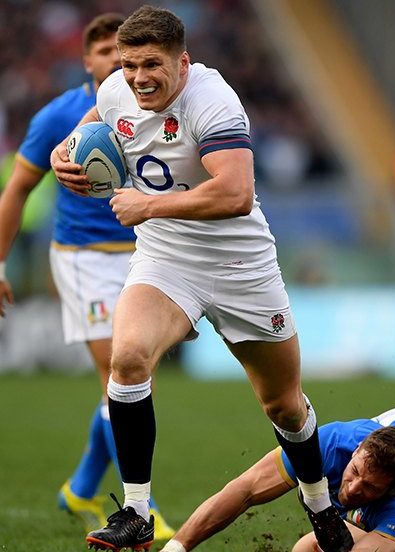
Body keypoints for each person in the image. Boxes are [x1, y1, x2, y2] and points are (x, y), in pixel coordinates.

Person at [50, 5, 353, 552]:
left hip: (242, 266)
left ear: (183, 63)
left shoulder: (212, 101)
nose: (138, 77)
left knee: (284, 405)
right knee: (128, 358)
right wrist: (63, 153)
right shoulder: (117, 90)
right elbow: (93, 122)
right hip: (166, 259)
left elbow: (236, 193)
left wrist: (149, 205)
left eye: (152, 65)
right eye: (129, 65)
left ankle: (319, 503)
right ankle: (137, 512)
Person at [0, 12, 174, 540]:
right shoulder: (59, 116)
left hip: (143, 252)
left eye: (121, 55)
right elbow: (17, 189)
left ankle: (80, 486)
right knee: (119, 374)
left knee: (135, 377)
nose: (115, 64)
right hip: (84, 258)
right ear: (86, 61)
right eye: (104, 53)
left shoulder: (153, 108)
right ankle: (140, 508)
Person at [158, 405, 395, 552]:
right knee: (306, 548)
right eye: (354, 472)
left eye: (369, 487)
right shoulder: (333, 444)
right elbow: (245, 489)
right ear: (356, 451)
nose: (353, 488)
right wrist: (175, 548)